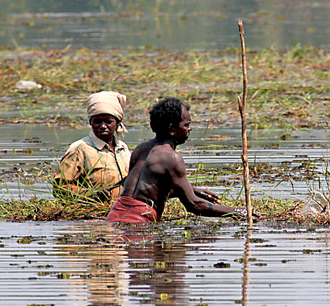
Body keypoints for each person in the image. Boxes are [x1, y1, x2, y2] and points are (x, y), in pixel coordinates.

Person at [106, 97, 247, 223]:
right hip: (138, 222)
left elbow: (144, 190)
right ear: (172, 129)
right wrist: (238, 212)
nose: (190, 129)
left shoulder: (141, 148)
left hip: (114, 216)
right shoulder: (171, 157)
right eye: (186, 125)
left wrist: (193, 190)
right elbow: (193, 205)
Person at [54, 91, 131, 202]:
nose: (103, 126)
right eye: (97, 122)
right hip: (93, 211)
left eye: (108, 122)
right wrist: (91, 195)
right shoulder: (79, 149)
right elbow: (60, 188)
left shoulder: (123, 149)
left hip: (120, 210)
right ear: (90, 123)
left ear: (118, 123)